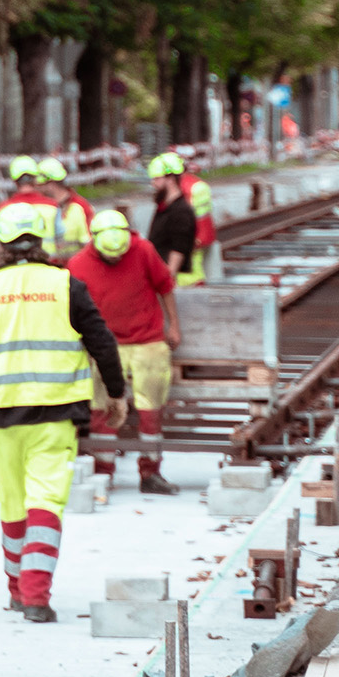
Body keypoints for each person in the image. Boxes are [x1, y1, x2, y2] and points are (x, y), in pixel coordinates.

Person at [0, 203, 126, 624]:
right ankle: (36, 598)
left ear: (0, 244)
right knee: (45, 501)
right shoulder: (67, 286)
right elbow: (103, 342)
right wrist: (116, 395)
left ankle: (17, 591)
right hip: (55, 412)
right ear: (42, 240)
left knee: (12, 502)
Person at [69, 207, 182, 495]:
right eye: (110, 256)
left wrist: (174, 326)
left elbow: (164, 286)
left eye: (120, 254)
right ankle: (103, 471)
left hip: (148, 341)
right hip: (104, 347)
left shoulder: (142, 250)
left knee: (151, 409)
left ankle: (151, 472)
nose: (116, 259)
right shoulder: (78, 265)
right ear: (94, 242)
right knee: (101, 409)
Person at [145, 152, 217, 287]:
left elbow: (178, 249)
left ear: (170, 178)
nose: (153, 183)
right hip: (179, 276)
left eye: (156, 179)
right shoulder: (166, 204)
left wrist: (166, 281)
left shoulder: (180, 208)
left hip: (182, 283)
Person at [36, 157, 92, 261]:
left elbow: (89, 243)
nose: (37, 188)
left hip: (74, 268)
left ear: (51, 184)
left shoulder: (80, 206)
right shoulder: (41, 207)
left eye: (40, 185)